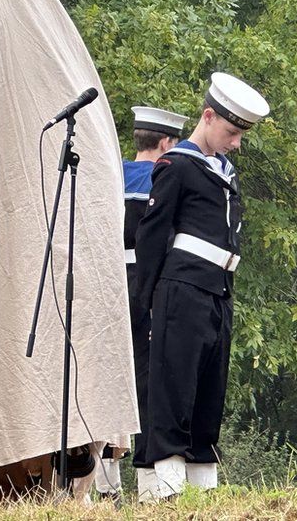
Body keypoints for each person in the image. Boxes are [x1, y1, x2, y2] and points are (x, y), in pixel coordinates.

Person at [134, 73, 269, 499]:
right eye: (231, 132)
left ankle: (204, 490)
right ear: (208, 116)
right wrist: (148, 305)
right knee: (173, 389)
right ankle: (166, 491)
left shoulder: (224, 172)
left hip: (217, 290)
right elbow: (151, 240)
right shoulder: (177, 166)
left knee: (209, 392)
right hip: (180, 289)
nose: (235, 143)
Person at [106, 106, 188, 502]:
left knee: (107, 377)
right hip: (147, 280)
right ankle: (150, 482)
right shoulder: (164, 176)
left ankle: (104, 479)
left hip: (107, 284)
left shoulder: (109, 175)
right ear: (167, 142)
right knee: (149, 379)